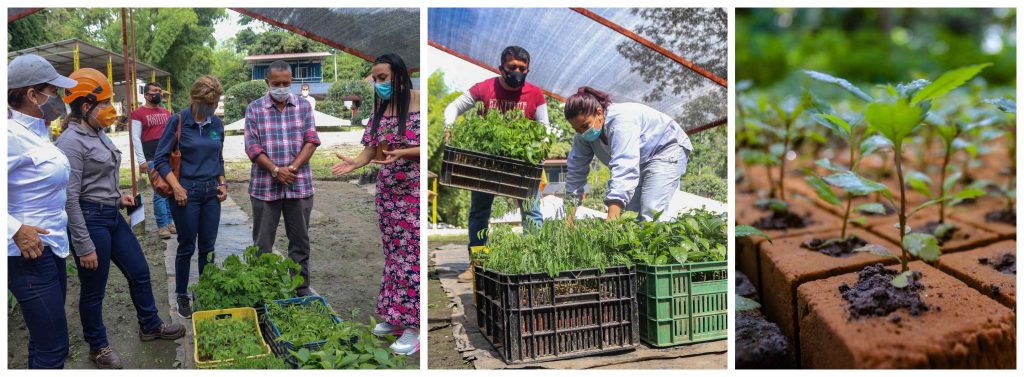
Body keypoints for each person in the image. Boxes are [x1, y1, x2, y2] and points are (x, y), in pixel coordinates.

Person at [55, 68, 185, 369]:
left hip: (111, 214)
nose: (111, 109)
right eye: (105, 103)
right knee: (94, 288)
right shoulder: (71, 143)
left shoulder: (97, 133)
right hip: (89, 220)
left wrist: (118, 197)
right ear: (86, 106)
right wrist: (83, 244)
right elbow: (70, 198)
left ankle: (150, 325)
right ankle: (97, 346)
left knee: (139, 271)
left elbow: (98, 179)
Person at [332, 53, 421, 355]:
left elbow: (431, 146)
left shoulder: (421, 102)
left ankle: (414, 326)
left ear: (399, 75)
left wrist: (404, 153)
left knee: (412, 257)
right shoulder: (380, 109)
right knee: (395, 255)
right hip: (388, 194)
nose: (378, 83)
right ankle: (396, 317)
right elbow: (371, 150)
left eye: (383, 77)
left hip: (414, 193)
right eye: (375, 78)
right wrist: (354, 164)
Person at [442, 46, 547, 280]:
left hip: (522, 163)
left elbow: (544, 127)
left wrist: (542, 144)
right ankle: (478, 264)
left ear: (528, 69)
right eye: (512, 68)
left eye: (522, 68)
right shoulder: (484, 88)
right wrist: (448, 128)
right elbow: (454, 107)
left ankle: (535, 260)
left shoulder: (535, 95)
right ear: (501, 68)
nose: (517, 72)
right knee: (479, 212)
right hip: (486, 163)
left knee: (532, 211)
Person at [7, 54, 77, 369]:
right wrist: (15, 229)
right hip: (27, 256)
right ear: (33, 95)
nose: (58, 100)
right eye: (52, 91)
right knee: (53, 348)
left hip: (51, 249)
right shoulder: (8, 136)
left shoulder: (38, 131)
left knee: (42, 340)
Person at [244, 60, 320, 296]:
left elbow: (312, 140)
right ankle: (264, 288)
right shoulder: (255, 108)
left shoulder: (304, 107)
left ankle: (300, 288)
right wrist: (276, 170)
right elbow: (252, 146)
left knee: (300, 241)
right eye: (276, 83)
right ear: (267, 82)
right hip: (265, 187)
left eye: (286, 83)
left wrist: (292, 168)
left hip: (299, 186)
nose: (281, 87)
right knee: (263, 244)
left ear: (292, 82)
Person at [153, 76, 227, 319]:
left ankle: (204, 292)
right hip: (186, 194)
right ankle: (182, 294)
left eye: (215, 104)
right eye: (209, 104)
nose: (213, 109)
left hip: (211, 194)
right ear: (196, 100)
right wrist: (176, 188)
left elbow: (219, 158)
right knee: (186, 246)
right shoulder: (178, 121)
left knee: (208, 248)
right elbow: (161, 159)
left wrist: (222, 183)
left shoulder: (216, 124)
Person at [563, 86, 693, 222]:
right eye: (576, 129)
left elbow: (624, 166)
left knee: (652, 211)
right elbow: (575, 172)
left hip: (666, 147)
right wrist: (569, 220)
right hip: (640, 159)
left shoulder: (621, 121)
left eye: (585, 126)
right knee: (630, 217)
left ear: (599, 113)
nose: (582, 132)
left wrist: (611, 220)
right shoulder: (582, 136)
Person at [130, 82, 176, 239]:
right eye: (155, 91)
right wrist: (141, 160)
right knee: (160, 190)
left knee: (170, 190)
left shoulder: (167, 112)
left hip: (168, 156)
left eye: (159, 90)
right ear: (146, 95)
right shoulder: (138, 114)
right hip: (151, 158)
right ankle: (162, 225)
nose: (158, 93)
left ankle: (170, 223)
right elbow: (135, 138)